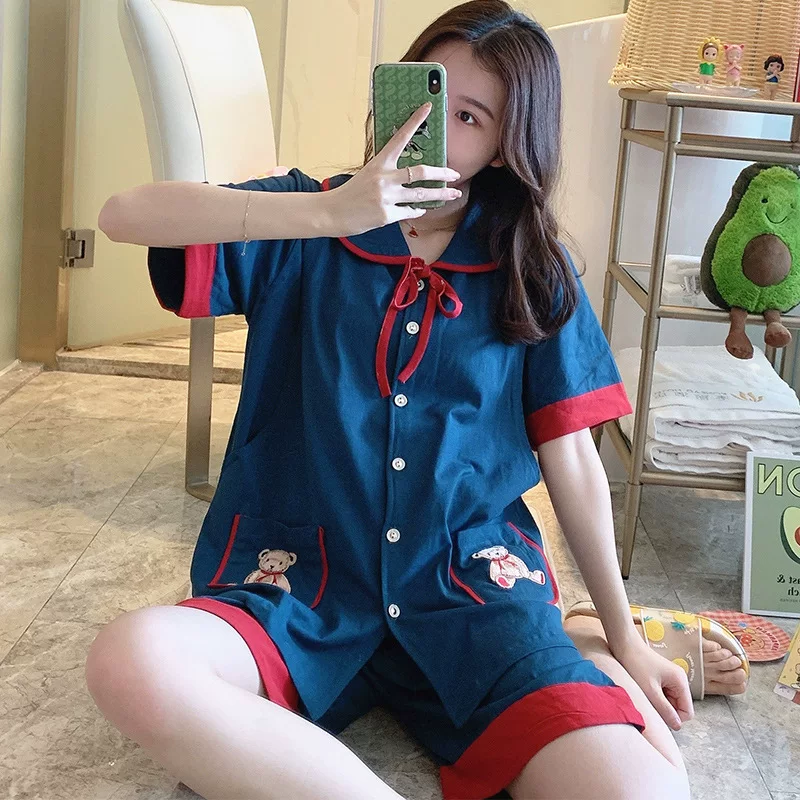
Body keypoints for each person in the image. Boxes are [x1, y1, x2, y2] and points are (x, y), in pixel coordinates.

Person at [86, 3, 745, 798]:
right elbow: (124, 216)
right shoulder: (304, 223)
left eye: (469, 116)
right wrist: (328, 213)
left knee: (642, 790)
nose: (430, 128)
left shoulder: (533, 267)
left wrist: (624, 633)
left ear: (506, 144)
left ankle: (578, 640)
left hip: (472, 594)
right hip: (297, 587)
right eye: (422, 96)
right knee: (132, 662)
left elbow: (571, 458)